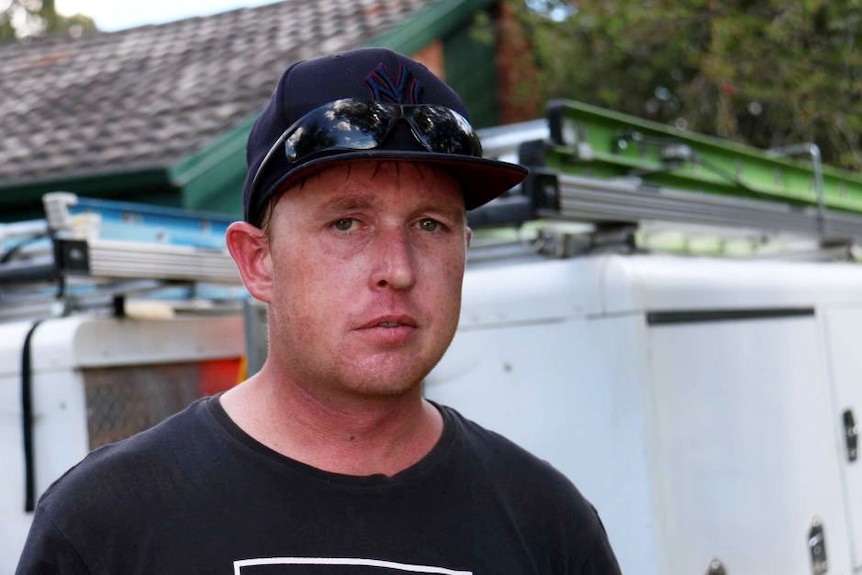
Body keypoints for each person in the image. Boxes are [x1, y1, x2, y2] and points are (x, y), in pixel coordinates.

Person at [17, 47, 621, 574]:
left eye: (430, 225)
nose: (400, 268)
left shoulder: (550, 527)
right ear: (258, 261)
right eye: (347, 222)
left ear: (463, 253)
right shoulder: (106, 526)